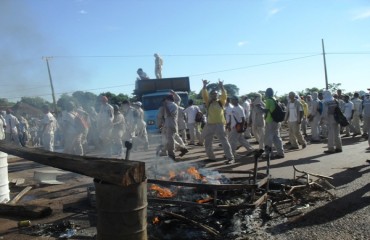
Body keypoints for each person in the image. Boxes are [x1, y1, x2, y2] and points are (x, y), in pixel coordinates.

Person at [201, 79, 234, 164]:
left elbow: (224, 95)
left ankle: (230, 158)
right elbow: (204, 94)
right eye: (213, 94)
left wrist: (221, 86)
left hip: (220, 125)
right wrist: (204, 85)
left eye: (216, 94)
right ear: (211, 95)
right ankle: (211, 158)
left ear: (218, 95)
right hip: (210, 125)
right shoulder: (208, 102)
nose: (214, 95)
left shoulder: (221, 102)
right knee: (207, 142)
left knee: (224, 141)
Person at [259, 88, 284, 159]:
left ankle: (268, 154)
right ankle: (280, 153)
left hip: (270, 121)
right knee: (276, 137)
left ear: (267, 93)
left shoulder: (268, 100)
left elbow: (266, 111)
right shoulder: (275, 99)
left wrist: (260, 107)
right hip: (276, 121)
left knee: (267, 138)